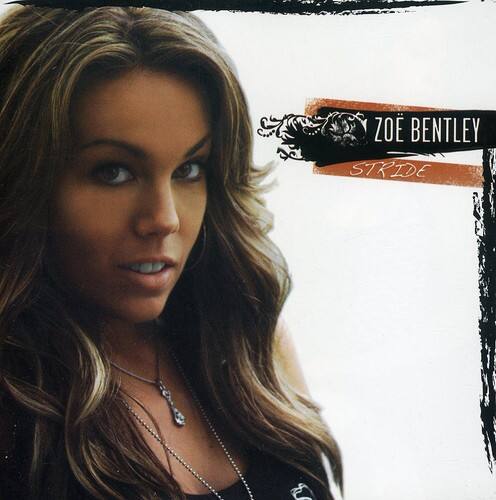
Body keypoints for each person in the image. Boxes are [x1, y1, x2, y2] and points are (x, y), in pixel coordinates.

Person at [0, 4, 342, 499]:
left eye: (189, 169)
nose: (164, 219)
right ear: (22, 180)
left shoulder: (250, 340)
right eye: (114, 171)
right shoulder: (16, 408)